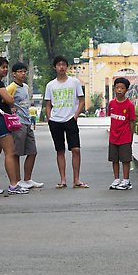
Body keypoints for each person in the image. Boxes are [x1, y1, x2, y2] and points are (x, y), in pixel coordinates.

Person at [0, 57, 29, 195]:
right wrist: (10, 100)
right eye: (3, 67)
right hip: (0, 120)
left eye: (6, 67)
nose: (6, 69)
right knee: (10, 152)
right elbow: (9, 99)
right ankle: (14, 185)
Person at [44, 55, 89, 189]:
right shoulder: (50, 85)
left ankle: (76, 179)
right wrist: (49, 118)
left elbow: (81, 100)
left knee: (76, 149)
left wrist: (76, 115)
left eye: (64, 64)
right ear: (55, 67)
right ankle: (63, 179)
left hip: (70, 119)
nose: (61, 67)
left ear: (67, 67)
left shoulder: (74, 82)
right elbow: (48, 104)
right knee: (60, 150)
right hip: (55, 120)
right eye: (59, 65)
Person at [6, 62, 44, 189]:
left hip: (27, 122)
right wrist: (10, 108)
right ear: (14, 74)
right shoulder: (11, 87)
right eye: (20, 71)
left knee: (32, 151)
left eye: (24, 71)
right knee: (16, 153)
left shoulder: (26, 87)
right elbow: (3, 100)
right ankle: (17, 180)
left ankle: (28, 179)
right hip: (18, 123)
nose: (23, 74)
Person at [107, 77, 137, 190]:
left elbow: (131, 122)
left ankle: (126, 180)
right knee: (114, 159)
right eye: (117, 87)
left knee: (125, 159)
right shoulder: (111, 103)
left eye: (122, 88)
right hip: (113, 137)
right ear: (114, 88)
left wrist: (131, 137)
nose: (119, 90)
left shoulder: (129, 105)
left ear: (127, 90)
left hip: (125, 137)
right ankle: (116, 179)